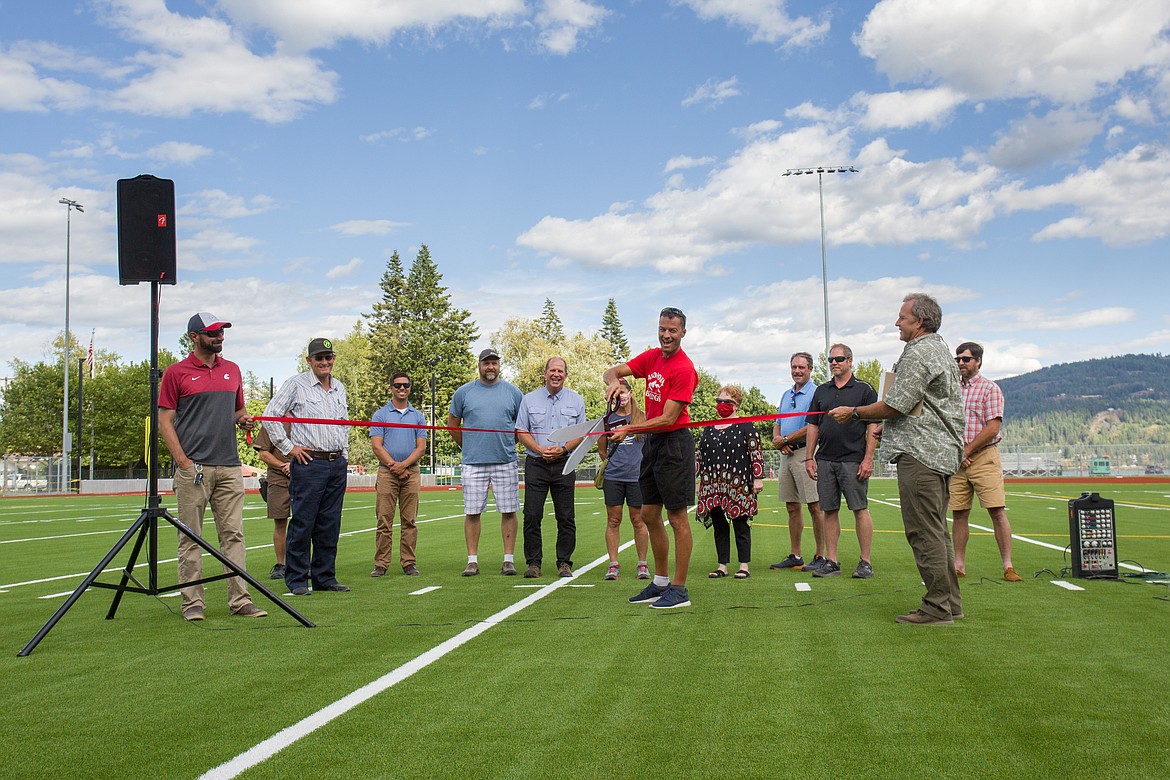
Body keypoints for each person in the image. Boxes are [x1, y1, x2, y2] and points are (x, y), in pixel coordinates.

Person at [828, 293, 964, 625]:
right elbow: (917, 406)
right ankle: (949, 602)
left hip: (921, 454)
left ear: (919, 321)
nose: (896, 322)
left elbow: (897, 404)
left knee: (923, 531)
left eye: (902, 317)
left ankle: (937, 607)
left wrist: (855, 413)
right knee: (936, 530)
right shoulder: (939, 349)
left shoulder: (919, 353)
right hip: (936, 451)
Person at [158, 312, 266, 621]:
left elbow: (238, 410)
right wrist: (183, 463)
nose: (220, 337)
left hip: (230, 467)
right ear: (194, 337)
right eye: (213, 333)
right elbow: (165, 421)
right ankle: (193, 603)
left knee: (233, 536)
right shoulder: (176, 373)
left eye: (221, 332)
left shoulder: (232, 370)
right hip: (194, 468)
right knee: (190, 538)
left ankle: (240, 600)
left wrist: (243, 418)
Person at [602, 306, 700, 610]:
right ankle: (659, 582)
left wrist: (630, 426)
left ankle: (679, 589)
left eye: (672, 330)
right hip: (653, 443)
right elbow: (613, 371)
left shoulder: (684, 368)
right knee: (647, 514)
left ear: (683, 333)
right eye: (662, 329)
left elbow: (669, 418)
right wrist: (613, 383)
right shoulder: (652, 357)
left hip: (673, 444)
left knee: (677, 518)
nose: (666, 335)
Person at [262, 337, 351, 597]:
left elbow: (343, 423)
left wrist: (344, 454)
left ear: (333, 358)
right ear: (309, 360)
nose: (324, 362)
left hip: (335, 463)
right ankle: (297, 578)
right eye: (319, 357)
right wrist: (289, 448)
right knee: (303, 522)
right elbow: (270, 415)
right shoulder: (296, 384)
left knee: (330, 523)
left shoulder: (340, 388)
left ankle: (325, 576)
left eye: (328, 357)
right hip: (309, 462)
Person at [804, 344, 879, 579]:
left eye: (839, 359)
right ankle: (832, 560)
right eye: (830, 359)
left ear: (850, 361)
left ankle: (865, 562)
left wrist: (868, 459)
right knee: (829, 510)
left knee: (860, 509)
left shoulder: (864, 390)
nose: (834, 363)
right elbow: (813, 425)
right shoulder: (822, 391)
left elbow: (873, 426)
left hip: (853, 459)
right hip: (825, 459)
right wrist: (809, 456)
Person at [448, 348, 524, 576]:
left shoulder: (513, 392)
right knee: (472, 512)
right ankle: (472, 561)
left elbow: (521, 427)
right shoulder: (463, 393)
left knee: (509, 511)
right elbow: (453, 425)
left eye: (494, 363)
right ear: (479, 365)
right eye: (486, 363)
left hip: (505, 461)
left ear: (499, 366)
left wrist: (510, 445)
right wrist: (469, 446)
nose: (490, 367)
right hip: (473, 463)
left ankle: (508, 560)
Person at [950, 342, 1022, 582]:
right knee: (959, 512)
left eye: (966, 359)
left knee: (997, 510)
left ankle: (1008, 565)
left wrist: (966, 450)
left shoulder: (990, 389)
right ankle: (958, 564)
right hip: (957, 460)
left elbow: (992, 427)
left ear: (978, 361)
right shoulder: (951, 389)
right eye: (958, 359)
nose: (961, 363)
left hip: (983, 456)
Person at [515, 357, 587, 578]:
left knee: (566, 516)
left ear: (566, 375)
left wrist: (564, 449)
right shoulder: (529, 400)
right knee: (532, 515)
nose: (556, 374)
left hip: (564, 464)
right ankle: (533, 563)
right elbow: (521, 431)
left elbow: (582, 433)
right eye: (552, 370)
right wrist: (538, 449)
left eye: (561, 371)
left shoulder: (576, 400)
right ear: (545, 373)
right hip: (536, 463)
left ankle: (564, 563)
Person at [697, 385, 764, 579]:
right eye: (719, 401)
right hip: (712, 483)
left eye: (727, 401)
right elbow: (701, 455)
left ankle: (744, 565)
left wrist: (757, 477)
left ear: (736, 405)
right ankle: (722, 565)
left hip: (738, 482)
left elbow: (755, 452)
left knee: (740, 523)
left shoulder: (746, 425)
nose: (722, 405)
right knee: (719, 525)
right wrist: (700, 480)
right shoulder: (709, 428)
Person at [769, 352, 827, 572]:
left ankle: (821, 556)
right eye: (794, 367)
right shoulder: (786, 394)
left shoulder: (816, 393)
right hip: (787, 455)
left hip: (806, 453)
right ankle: (796, 555)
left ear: (810, 369)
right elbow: (778, 422)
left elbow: (814, 425)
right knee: (792, 506)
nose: (797, 371)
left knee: (815, 505)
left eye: (802, 367)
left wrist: (785, 439)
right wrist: (779, 441)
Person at [370, 372, 428, 577]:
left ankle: (409, 563)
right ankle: (381, 563)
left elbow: (421, 448)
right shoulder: (380, 415)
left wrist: (403, 466)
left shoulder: (418, 416)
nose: (401, 389)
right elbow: (377, 446)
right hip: (387, 472)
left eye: (405, 385)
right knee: (384, 520)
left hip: (411, 472)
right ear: (391, 388)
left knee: (409, 521)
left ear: (410, 388)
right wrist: (394, 466)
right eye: (397, 385)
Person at [596, 377, 650, 581]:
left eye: (623, 392)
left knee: (638, 520)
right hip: (614, 477)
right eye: (616, 393)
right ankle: (613, 564)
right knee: (613, 520)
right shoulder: (606, 420)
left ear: (630, 393)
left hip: (637, 477)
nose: (620, 396)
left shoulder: (643, 418)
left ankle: (642, 564)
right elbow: (602, 450)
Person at [251, 423, 290, 580]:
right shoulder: (271, 423)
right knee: (280, 521)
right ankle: (281, 565)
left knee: (306, 522)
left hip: (304, 473)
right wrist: (283, 466)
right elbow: (263, 454)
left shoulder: (306, 419)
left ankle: (302, 563)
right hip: (278, 477)